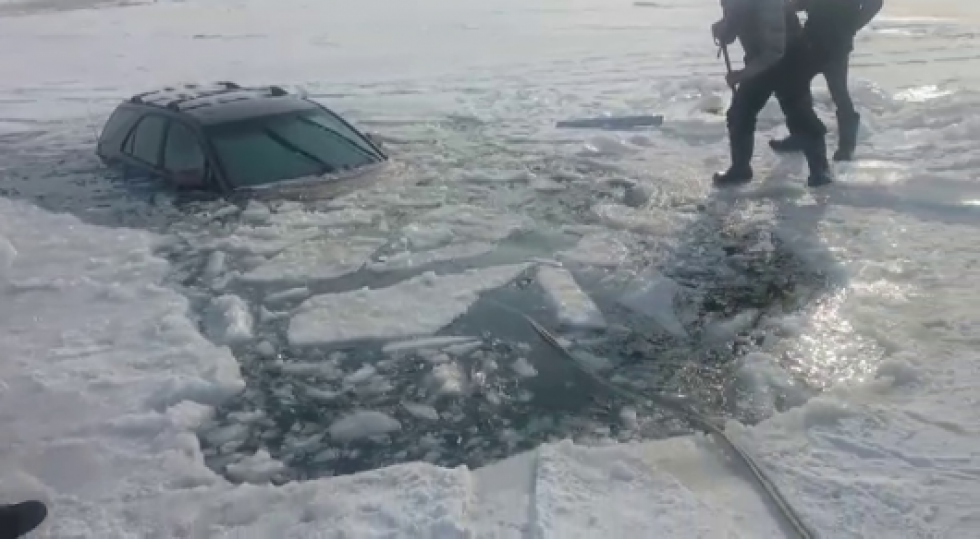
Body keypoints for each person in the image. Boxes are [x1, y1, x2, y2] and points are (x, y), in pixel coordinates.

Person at [712, 0, 834, 187]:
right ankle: (740, 168)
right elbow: (736, 20)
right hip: (760, 59)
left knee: (799, 114)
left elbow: (775, 50)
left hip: (791, 60)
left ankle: (820, 169)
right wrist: (724, 29)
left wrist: (743, 74)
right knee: (740, 112)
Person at [769, 0, 884, 161]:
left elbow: (875, 3)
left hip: (837, 44)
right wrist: (792, 5)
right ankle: (800, 134)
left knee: (839, 92)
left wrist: (852, 25)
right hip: (811, 38)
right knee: (795, 87)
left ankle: (846, 146)